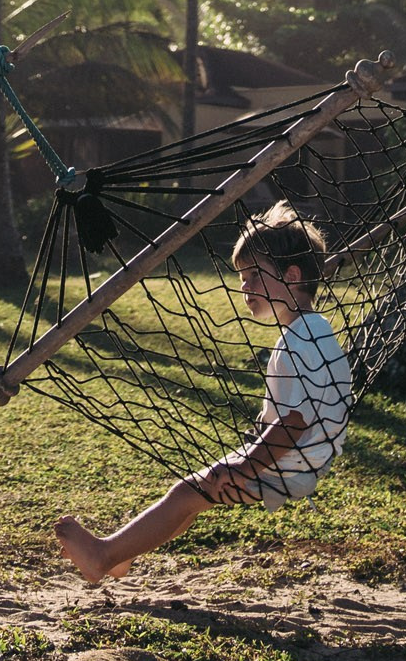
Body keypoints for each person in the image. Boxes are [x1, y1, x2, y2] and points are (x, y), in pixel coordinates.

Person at [54, 202, 354, 586]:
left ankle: (103, 555)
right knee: (191, 499)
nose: (245, 287)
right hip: (299, 461)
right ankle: (117, 557)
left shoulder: (301, 340)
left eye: (255, 277)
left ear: (292, 275)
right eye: (243, 278)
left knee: (187, 493)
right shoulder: (315, 331)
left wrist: (245, 468)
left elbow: (294, 422)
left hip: (288, 464)